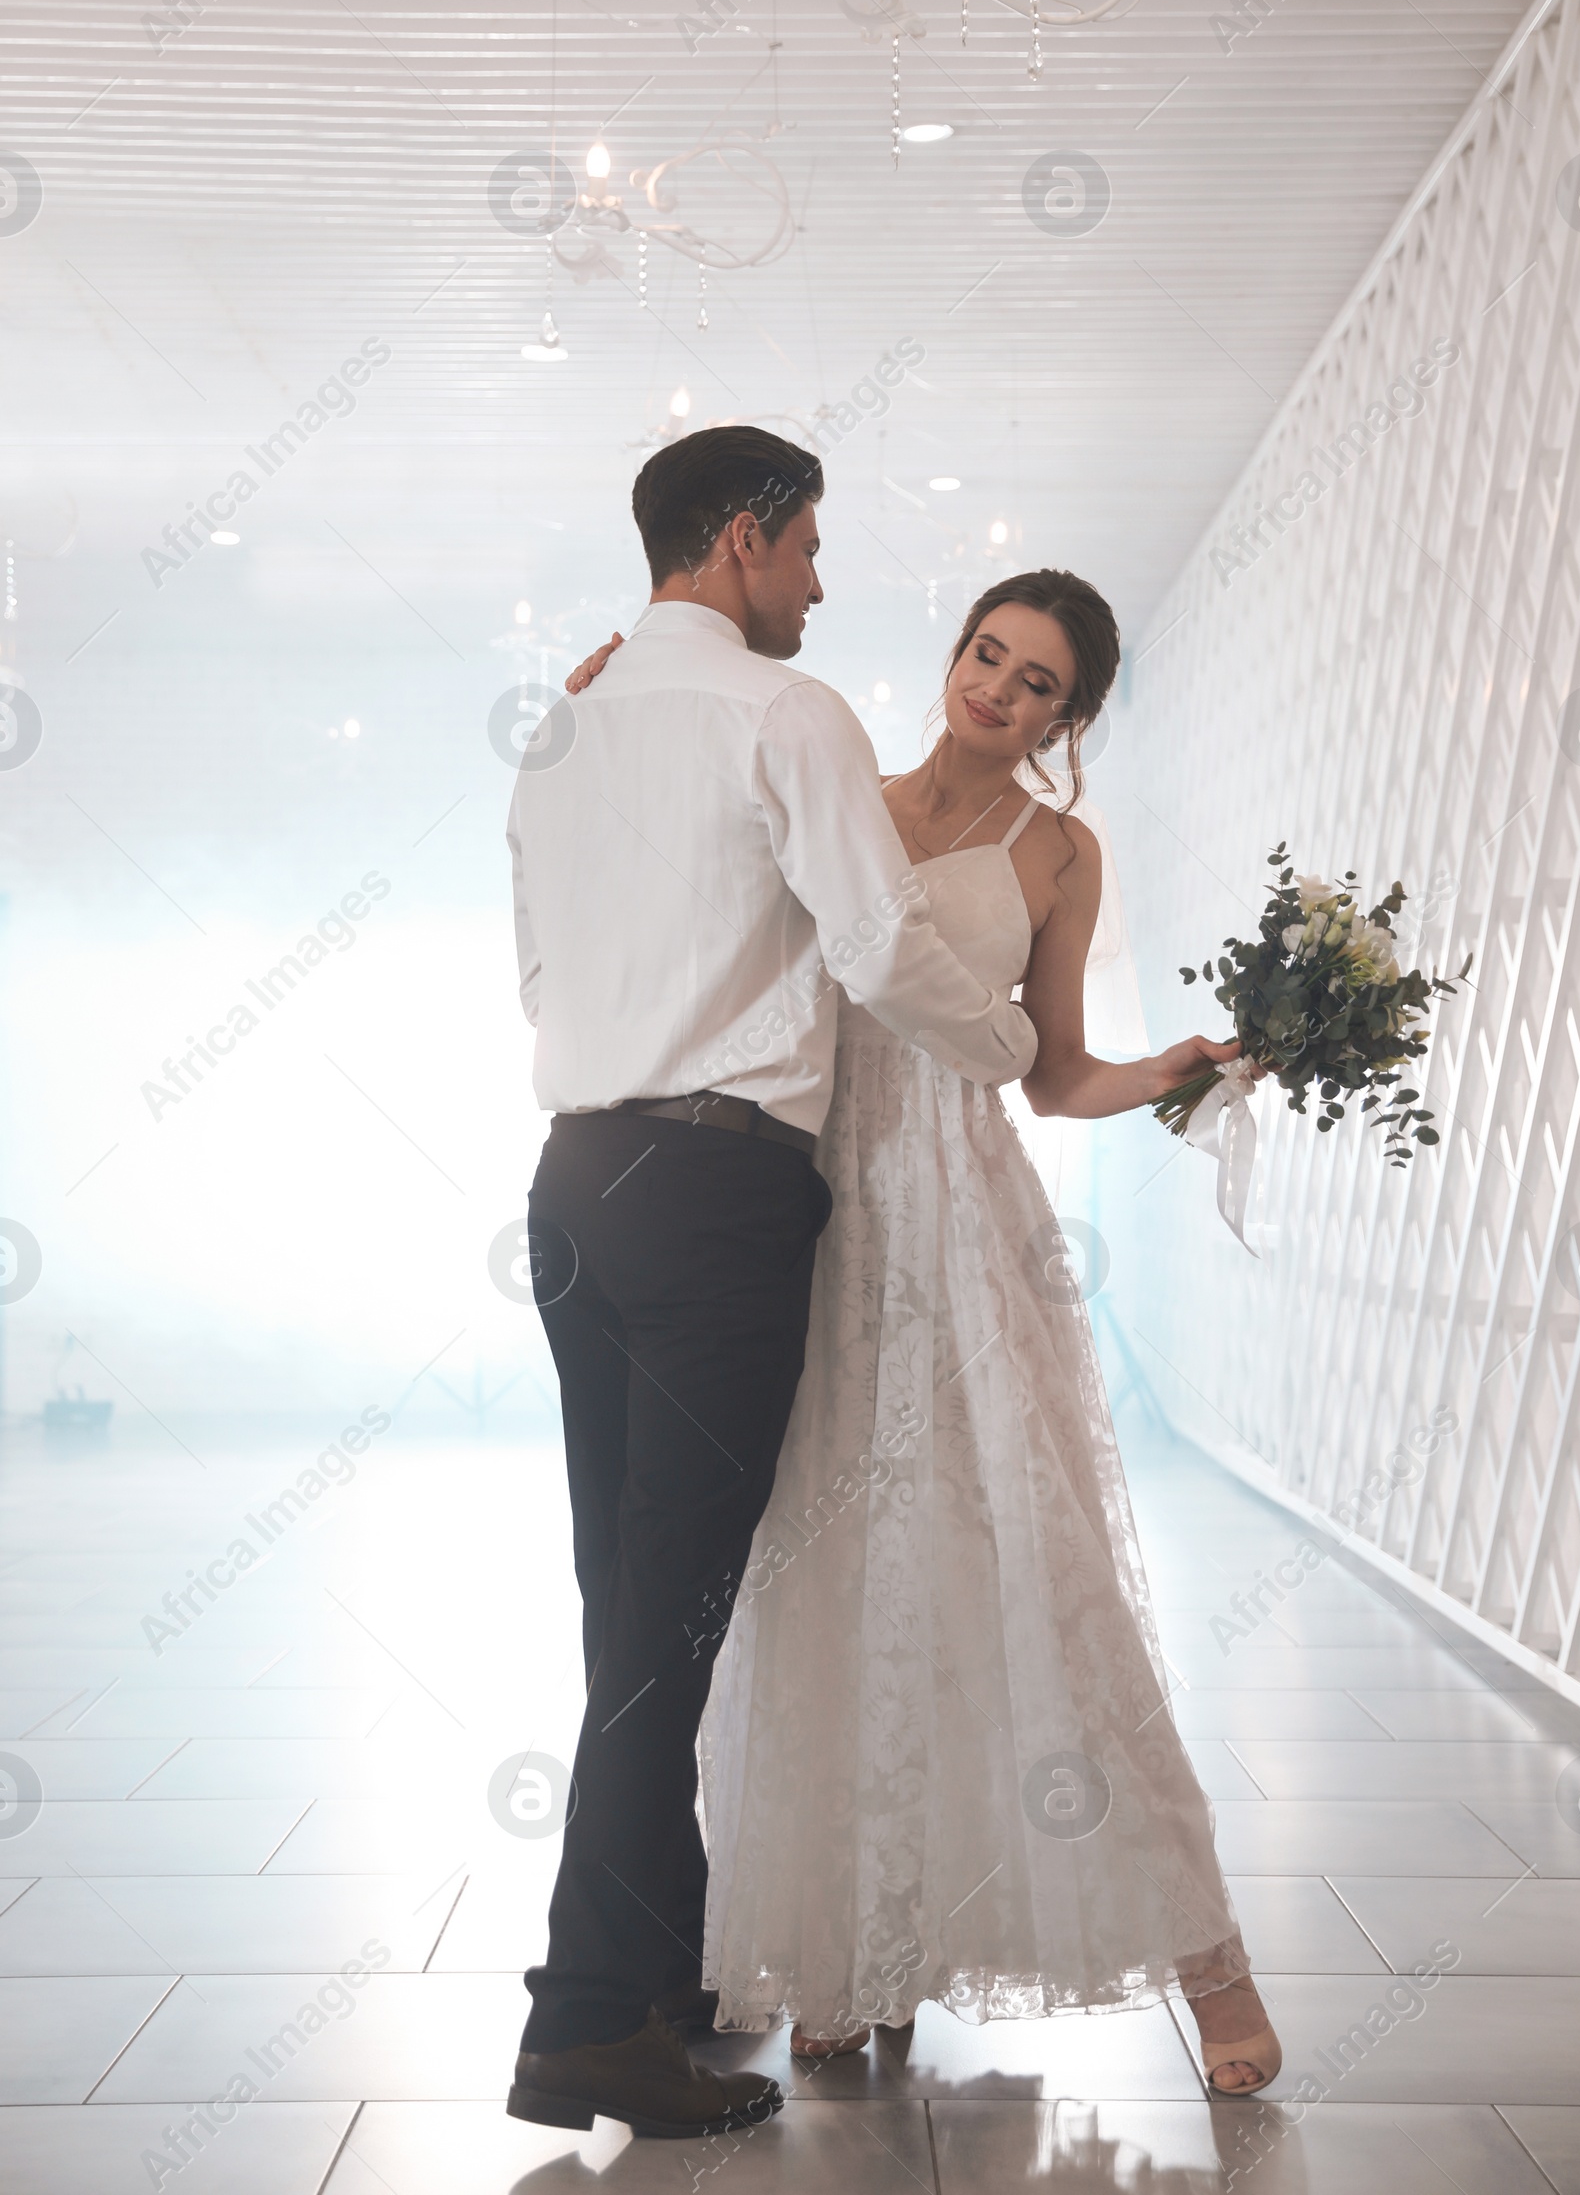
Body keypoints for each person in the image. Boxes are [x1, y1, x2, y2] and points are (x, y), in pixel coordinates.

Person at [568, 566, 1283, 2098]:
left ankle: (1207, 1965)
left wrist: (1176, 1072)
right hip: (807, 1211)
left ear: (1069, 720)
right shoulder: (837, 784)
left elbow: (1052, 1074)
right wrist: (606, 718)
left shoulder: (1058, 852)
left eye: (1037, 684)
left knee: (1035, 1564)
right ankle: (848, 1947)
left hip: (966, 1223)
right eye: (986, 655)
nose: (997, 692)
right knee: (824, 1573)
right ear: (952, 654)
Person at [503, 427, 1043, 2141]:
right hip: (718, 1191)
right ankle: (586, 2024)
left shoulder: (561, 726)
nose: (818, 580)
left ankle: (657, 1977)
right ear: (741, 540)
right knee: (668, 1631)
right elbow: (881, 946)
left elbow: (535, 962)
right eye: (808, 547)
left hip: (578, 1178)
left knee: (628, 1606)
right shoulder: (788, 716)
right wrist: (1013, 1040)